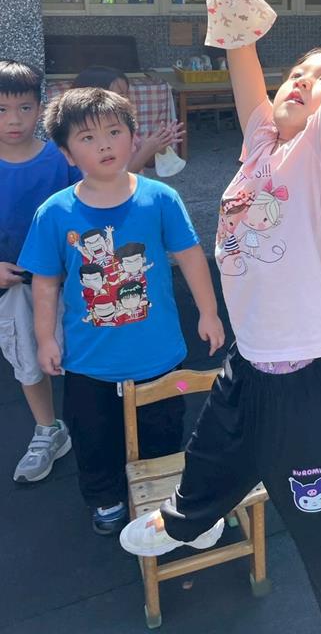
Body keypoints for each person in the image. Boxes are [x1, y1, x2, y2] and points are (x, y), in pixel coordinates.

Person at [119, 0, 321, 634]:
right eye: (298, 72)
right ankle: (192, 520)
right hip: (249, 360)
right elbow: (239, 43)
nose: (303, 80)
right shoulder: (260, 143)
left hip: (302, 384)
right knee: (211, 452)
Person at [18, 87, 225, 534]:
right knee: (94, 436)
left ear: (133, 137)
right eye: (87, 138)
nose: (105, 145)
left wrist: (208, 313)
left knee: (163, 429)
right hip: (89, 361)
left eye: (114, 132)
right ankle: (106, 498)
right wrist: (46, 338)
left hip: (158, 355)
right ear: (66, 153)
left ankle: (161, 491)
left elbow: (191, 257)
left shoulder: (160, 198)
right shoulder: (54, 213)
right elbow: (46, 282)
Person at [0, 60, 79, 484]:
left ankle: (99, 421)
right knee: (27, 359)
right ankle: (48, 429)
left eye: (24, 108)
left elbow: (90, 203)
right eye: (1, 110)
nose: (14, 120)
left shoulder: (59, 158)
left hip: (70, 281)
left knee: (83, 352)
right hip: (14, 287)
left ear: (40, 106)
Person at [72, 65, 184, 173]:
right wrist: (146, 150)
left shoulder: (123, 126)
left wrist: (158, 145)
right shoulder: (88, 137)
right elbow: (117, 179)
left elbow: (148, 163)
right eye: (118, 96)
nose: (125, 100)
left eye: (125, 95)